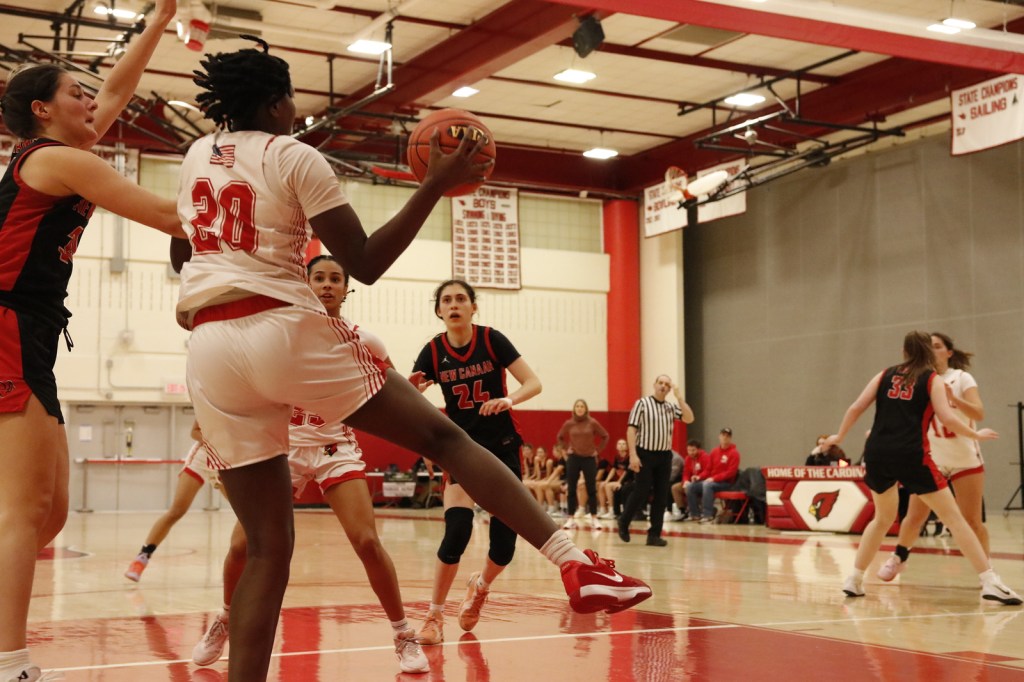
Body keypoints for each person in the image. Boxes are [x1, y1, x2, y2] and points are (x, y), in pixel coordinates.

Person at [172, 54, 651, 676]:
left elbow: (183, 251)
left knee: (265, 549)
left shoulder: (194, 157)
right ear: (274, 104)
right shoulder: (292, 154)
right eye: (290, 100)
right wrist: (434, 184)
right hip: (279, 327)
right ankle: (575, 562)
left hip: (208, 343)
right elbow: (365, 262)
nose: (295, 111)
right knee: (445, 439)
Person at [0, 2, 184, 678]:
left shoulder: (61, 150)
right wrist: (255, 199)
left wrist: (158, 22)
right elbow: (167, 214)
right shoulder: (54, 160)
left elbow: (116, 92)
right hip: (7, 322)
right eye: (75, 93)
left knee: (49, 515)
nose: (91, 102)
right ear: (42, 110)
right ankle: (9, 661)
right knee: (24, 511)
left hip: (36, 330)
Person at [189, 256, 428, 673]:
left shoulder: (365, 340)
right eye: (319, 277)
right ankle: (226, 618)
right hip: (283, 447)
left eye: (336, 278)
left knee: (367, 541)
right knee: (242, 545)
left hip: (334, 446)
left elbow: (387, 394)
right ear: (306, 284)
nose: (327, 284)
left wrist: (411, 394)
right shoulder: (279, 331)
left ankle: (403, 633)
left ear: (347, 289)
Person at [408, 280, 627, 646]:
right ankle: (434, 615)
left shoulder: (492, 339)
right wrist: (416, 401)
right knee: (456, 532)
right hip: (461, 450)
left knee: (504, 546)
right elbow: (410, 398)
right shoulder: (433, 351)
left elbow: (533, 382)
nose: (454, 304)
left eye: (461, 298)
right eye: (446, 300)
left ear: (474, 307)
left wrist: (509, 400)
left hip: (502, 446)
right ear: (438, 311)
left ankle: (480, 587)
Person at [824, 331, 1020, 605]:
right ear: (928, 351)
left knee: (882, 519)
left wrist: (839, 436)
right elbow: (948, 418)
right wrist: (975, 434)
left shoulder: (884, 374)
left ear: (904, 352)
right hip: (911, 454)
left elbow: (856, 407)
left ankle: (854, 579)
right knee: (954, 519)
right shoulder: (932, 379)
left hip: (877, 453)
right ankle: (990, 581)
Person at [876, 332, 990, 582]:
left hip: (964, 457)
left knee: (972, 520)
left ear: (949, 352)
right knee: (914, 517)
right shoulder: (920, 378)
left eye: (938, 346)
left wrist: (954, 399)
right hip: (932, 459)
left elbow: (979, 413)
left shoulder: (961, 378)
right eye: (930, 346)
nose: (933, 349)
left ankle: (988, 573)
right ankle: (898, 557)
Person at [124, 421, 221, 581]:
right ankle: (142, 558)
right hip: (203, 458)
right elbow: (194, 432)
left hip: (227, 462)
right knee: (177, 510)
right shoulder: (211, 406)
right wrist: (217, 443)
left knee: (243, 514)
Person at [617, 375, 695, 547]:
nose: (663, 386)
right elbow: (631, 430)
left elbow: (689, 418)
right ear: (654, 385)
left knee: (661, 495)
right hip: (644, 453)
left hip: (664, 456)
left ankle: (654, 535)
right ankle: (624, 521)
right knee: (641, 490)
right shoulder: (642, 404)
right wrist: (633, 455)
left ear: (669, 389)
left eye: (667, 384)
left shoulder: (670, 407)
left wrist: (679, 397)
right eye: (660, 383)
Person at [557, 399, 609, 530]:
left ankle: (594, 518)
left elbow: (605, 436)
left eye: (582, 406)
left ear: (586, 409)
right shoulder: (569, 423)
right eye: (577, 406)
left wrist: (597, 450)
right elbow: (560, 437)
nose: (580, 408)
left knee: (591, 488)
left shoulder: (592, 422)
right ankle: (570, 518)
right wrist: (566, 448)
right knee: (571, 488)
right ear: (574, 409)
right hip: (573, 458)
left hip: (589, 458)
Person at [686, 428, 741, 524]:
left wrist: (714, 478)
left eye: (727, 436)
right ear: (719, 437)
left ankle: (708, 515)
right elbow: (708, 469)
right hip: (713, 481)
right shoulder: (714, 451)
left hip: (726, 483)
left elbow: (731, 473)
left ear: (730, 438)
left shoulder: (734, 453)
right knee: (691, 486)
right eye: (723, 435)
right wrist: (699, 477)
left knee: (707, 485)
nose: (725, 437)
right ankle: (695, 514)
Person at [670, 440, 709, 522]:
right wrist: (685, 481)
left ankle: (695, 513)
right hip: (691, 481)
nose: (691, 452)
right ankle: (682, 511)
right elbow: (686, 473)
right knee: (675, 488)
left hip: (703, 481)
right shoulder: (688, 458)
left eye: (693, 450)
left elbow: (707, 471)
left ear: (698, 449)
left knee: (689, 488)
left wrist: (699, 477)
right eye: (689, 450)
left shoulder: (705, 457)